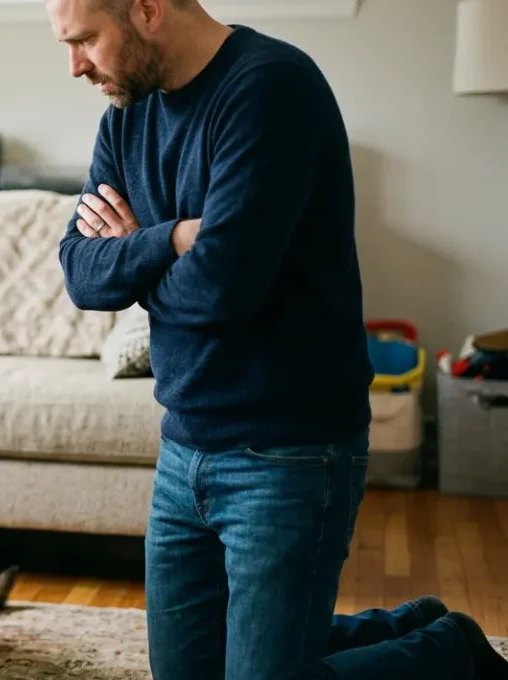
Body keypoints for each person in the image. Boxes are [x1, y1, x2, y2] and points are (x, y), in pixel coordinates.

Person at [46, 0, 508, 678]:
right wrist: (172, 237)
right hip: (184, 446)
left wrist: (134, 256)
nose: (74, 66)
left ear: (145, 9)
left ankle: (448, 652)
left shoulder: (271, 88)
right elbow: (81, 275)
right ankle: (407, 626)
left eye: (85, 40)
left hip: (289, 450)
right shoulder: (126, 115)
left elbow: (222, 289)